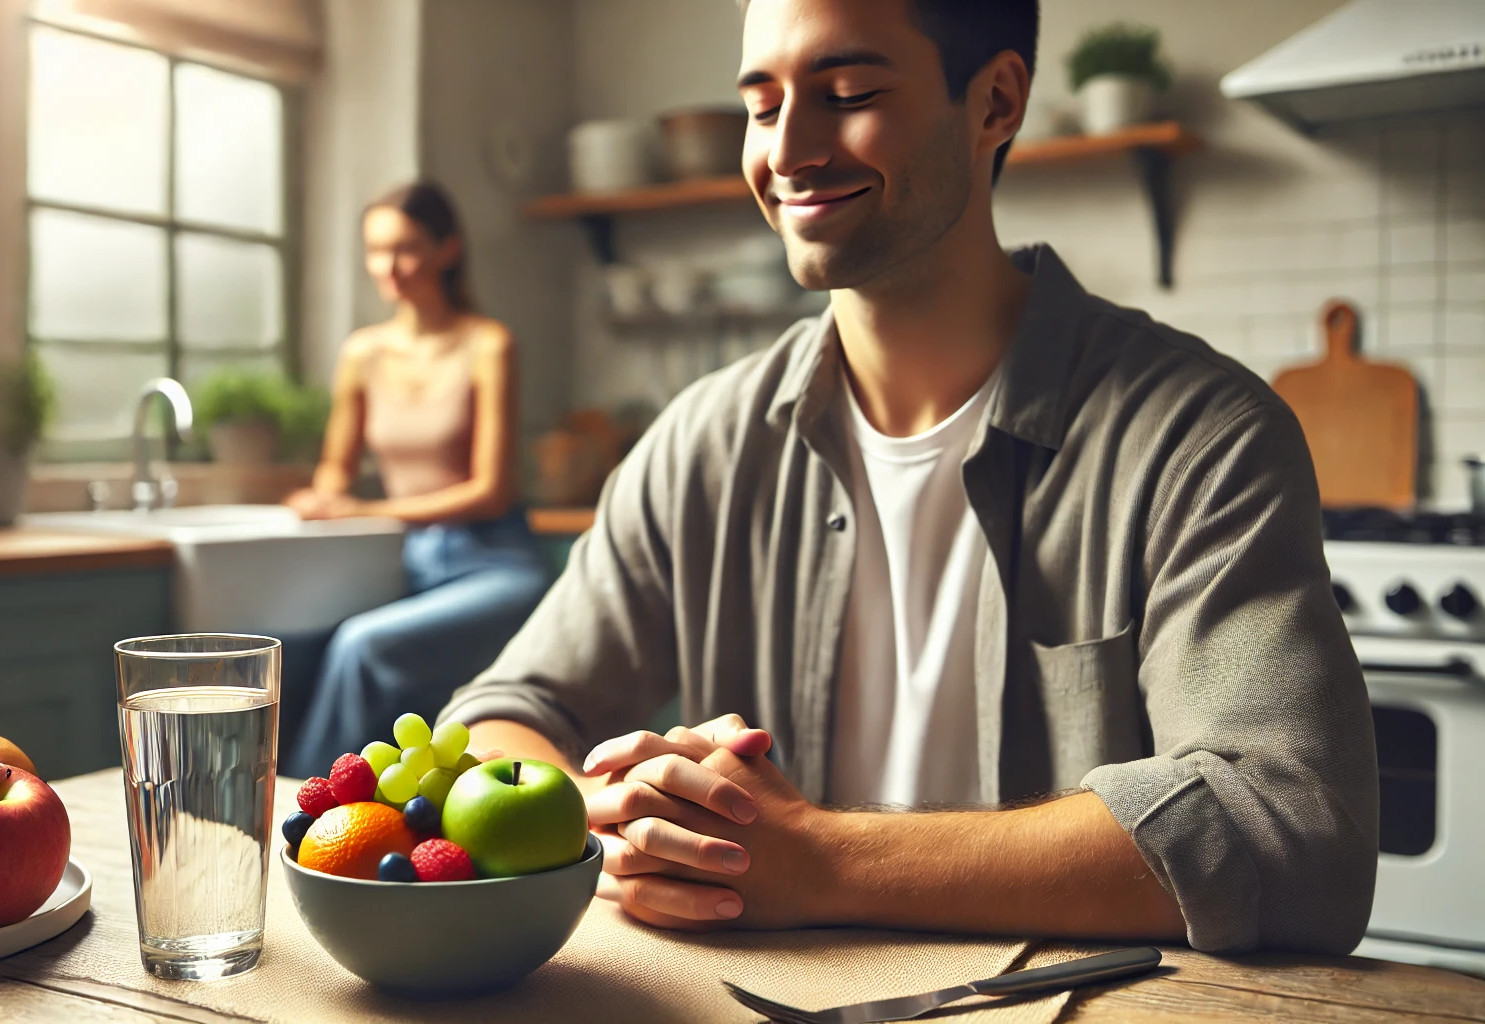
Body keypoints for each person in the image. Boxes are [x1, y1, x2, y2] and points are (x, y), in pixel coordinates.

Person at [440, 0, 1377, 954]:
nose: (788, 150)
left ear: (995, 102)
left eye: (848, 94)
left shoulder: (1201, 437)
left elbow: (1294, 831)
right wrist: (630, 817)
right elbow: (501, 715)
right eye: (761, 109)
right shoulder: (701, 442)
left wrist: (819, 861)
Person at [285, 182, 551, 779]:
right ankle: (353, 821)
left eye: (405, 249)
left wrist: (360, 511)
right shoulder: (363, 352)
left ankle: (298, 806)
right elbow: (336, 468)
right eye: (376, 251)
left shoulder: (488, 343)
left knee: (361, 645)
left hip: (493, 565)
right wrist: (323, 497)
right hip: (402, 561)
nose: (389, 267)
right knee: (298, 642)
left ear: (447, 249)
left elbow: (492, 490)